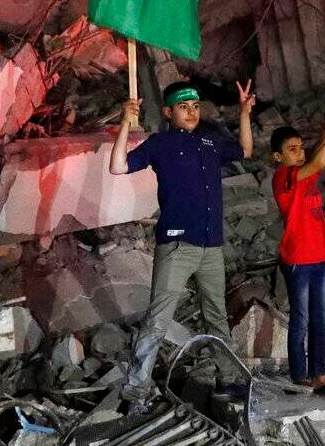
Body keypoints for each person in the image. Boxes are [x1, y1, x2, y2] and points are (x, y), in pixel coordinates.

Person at [109, 79, 256, 404]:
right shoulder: (159, 144)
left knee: (216, 315)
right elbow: (118, 166)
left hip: (211, 246)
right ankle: (136, 392)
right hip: (177, 247)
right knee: (158, 319)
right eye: (183, 107)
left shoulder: (210, 141)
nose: (191, 112)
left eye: (195, 106)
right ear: (168, 112)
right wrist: (125, 123)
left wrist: (244, 113)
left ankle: (227, 380)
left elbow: (245, 151)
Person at [270, 80, 325, 387]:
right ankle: (299, 375)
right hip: (298, 261)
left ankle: (319, 372)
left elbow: (320, 148)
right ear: (278, 157)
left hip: (321, 258)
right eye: (291, 149)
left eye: (300, 148)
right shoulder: (284, 178)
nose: (299, 153)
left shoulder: (304, 175)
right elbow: (321, 157)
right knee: (302, 319)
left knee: (320, 318)